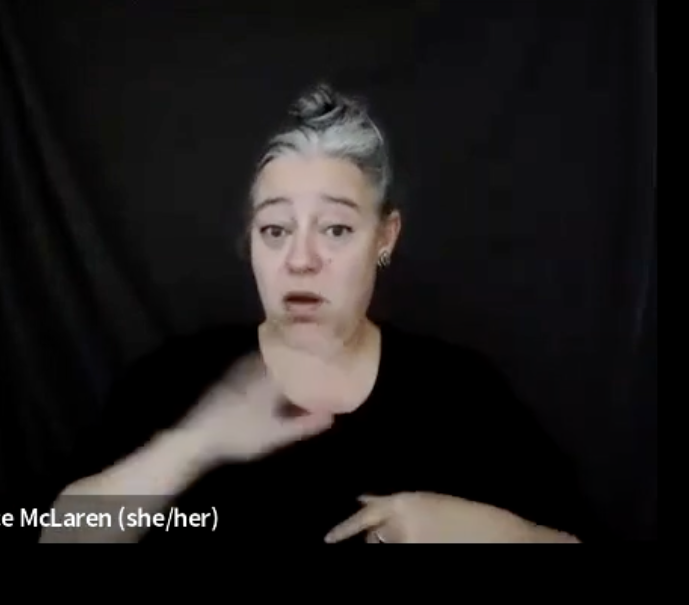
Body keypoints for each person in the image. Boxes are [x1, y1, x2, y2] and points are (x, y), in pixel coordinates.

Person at [43, 83, 592, 543]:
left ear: (385, 236)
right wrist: (193, 444)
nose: (301, 260)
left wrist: (485, 532)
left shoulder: (462, 394)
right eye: (276, 230)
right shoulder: (175, 380)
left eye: (335, 229)